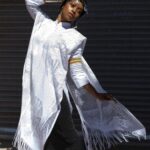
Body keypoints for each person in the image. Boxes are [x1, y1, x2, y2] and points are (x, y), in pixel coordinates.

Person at [12, 0, 146, 150]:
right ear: (63, 5)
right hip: (36, 95)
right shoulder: (42, 23)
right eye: (72, 5)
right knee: (48, 138)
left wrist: (97, 95)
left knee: (69, 139)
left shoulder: (75, 38)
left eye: (79, 10)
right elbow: (30, 2)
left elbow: (77, 73)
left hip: (55, 97)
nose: (74, 10)